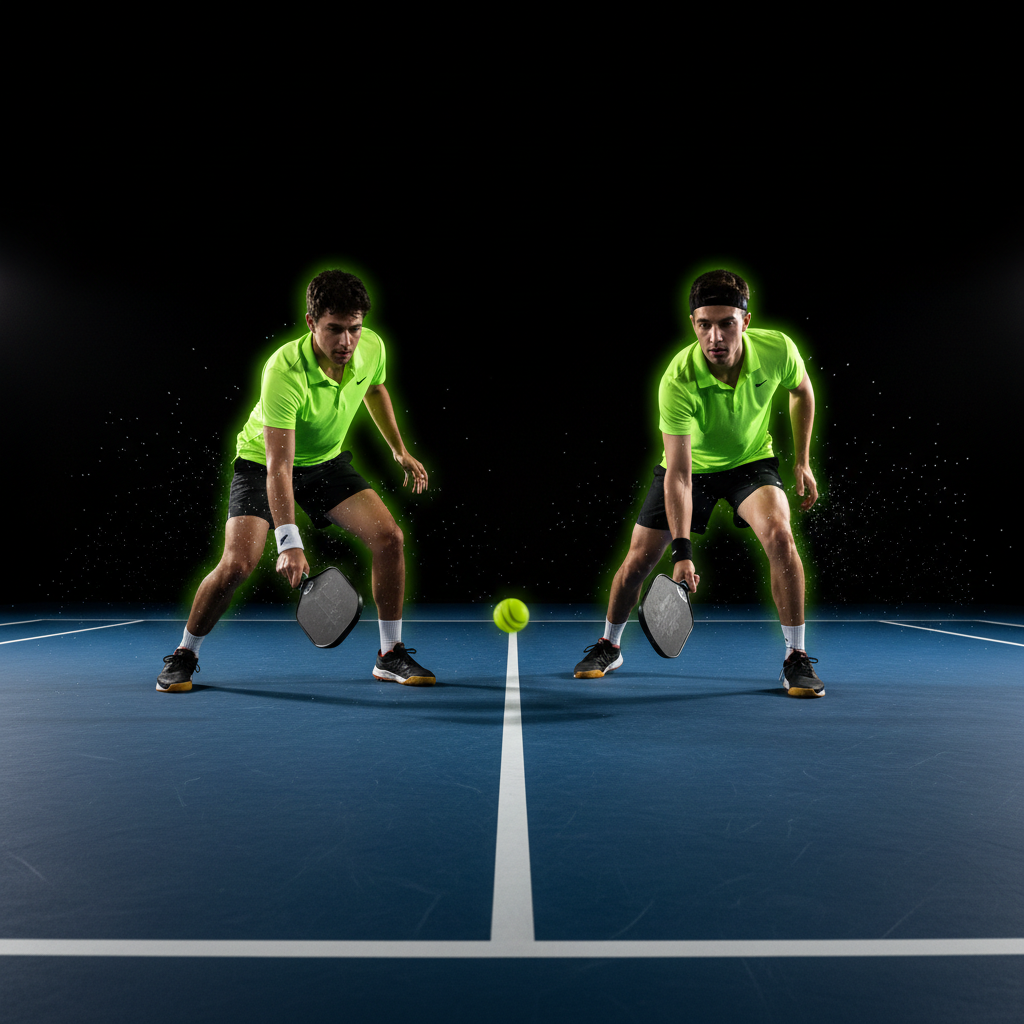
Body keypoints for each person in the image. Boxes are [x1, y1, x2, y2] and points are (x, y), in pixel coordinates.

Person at [156, 269, 434, 692]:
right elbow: (279, 468)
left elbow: (375, 389)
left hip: (325, 462)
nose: (346, 341)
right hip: (262, 463)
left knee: (389, 538)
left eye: (354, 328)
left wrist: (398, 449)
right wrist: (289, 542)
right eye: (334, 329)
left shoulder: (371, 347)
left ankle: (389, 654)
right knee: (238, 565)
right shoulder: (284, 372)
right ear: (311, 322)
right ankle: (185, 654)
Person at [574, 269, 825, 697]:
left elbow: (802, 391)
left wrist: (802, 461)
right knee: (637, 562)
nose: (715, 337)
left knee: (781, 537)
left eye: (726, 323)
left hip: (750, 461)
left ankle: (795, 657)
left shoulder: (778, 349)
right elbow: (679, 474)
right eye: (704, 324)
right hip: (690, 469)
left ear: (745, 321)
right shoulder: (678, 380)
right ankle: (609, 645)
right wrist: (682, 553)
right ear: (693, 323)